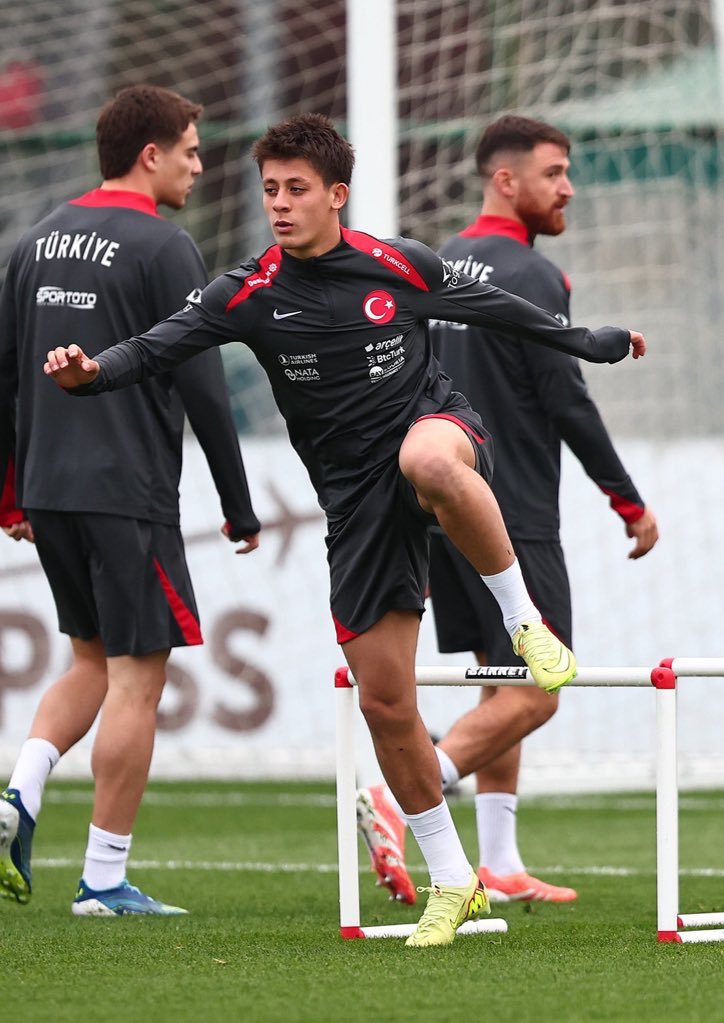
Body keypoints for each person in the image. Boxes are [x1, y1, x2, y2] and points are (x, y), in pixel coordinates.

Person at [42, 112, 647, 946]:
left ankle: (525, 620)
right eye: (269, 191)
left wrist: (593, 341)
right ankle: (453, 880)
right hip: (353, 505)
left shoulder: (398, 264)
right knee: (385, 702)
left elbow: (503, 311)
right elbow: (155, 347)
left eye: (296, 190)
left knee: (428, 463)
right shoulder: (246, 291)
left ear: (336, 195)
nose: (280, 205)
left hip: (438, 431)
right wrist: (90, 373)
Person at [356, 114, 659, 908]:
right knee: (540, 689)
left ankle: (498, 859)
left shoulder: (436, 264)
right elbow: (568, 397)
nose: (567, 188)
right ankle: (412, 790)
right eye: (555, 172)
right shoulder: (529, 272)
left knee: (502, 683)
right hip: (513, 510)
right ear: (506, 180)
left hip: (438, 506)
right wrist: (627, 498)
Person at [0, 84, 261, 917]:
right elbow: (205, 386)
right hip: (128, 491)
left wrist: (12, 494)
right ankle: (104, 880)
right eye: (190, 146)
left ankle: (18, 793)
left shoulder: (33, 241)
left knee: (88, 657)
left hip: (49, 487)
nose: (199, 162)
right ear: (149, 153)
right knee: (135, 679)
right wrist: (238, 500)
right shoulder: (163, 246)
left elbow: (5, 380)